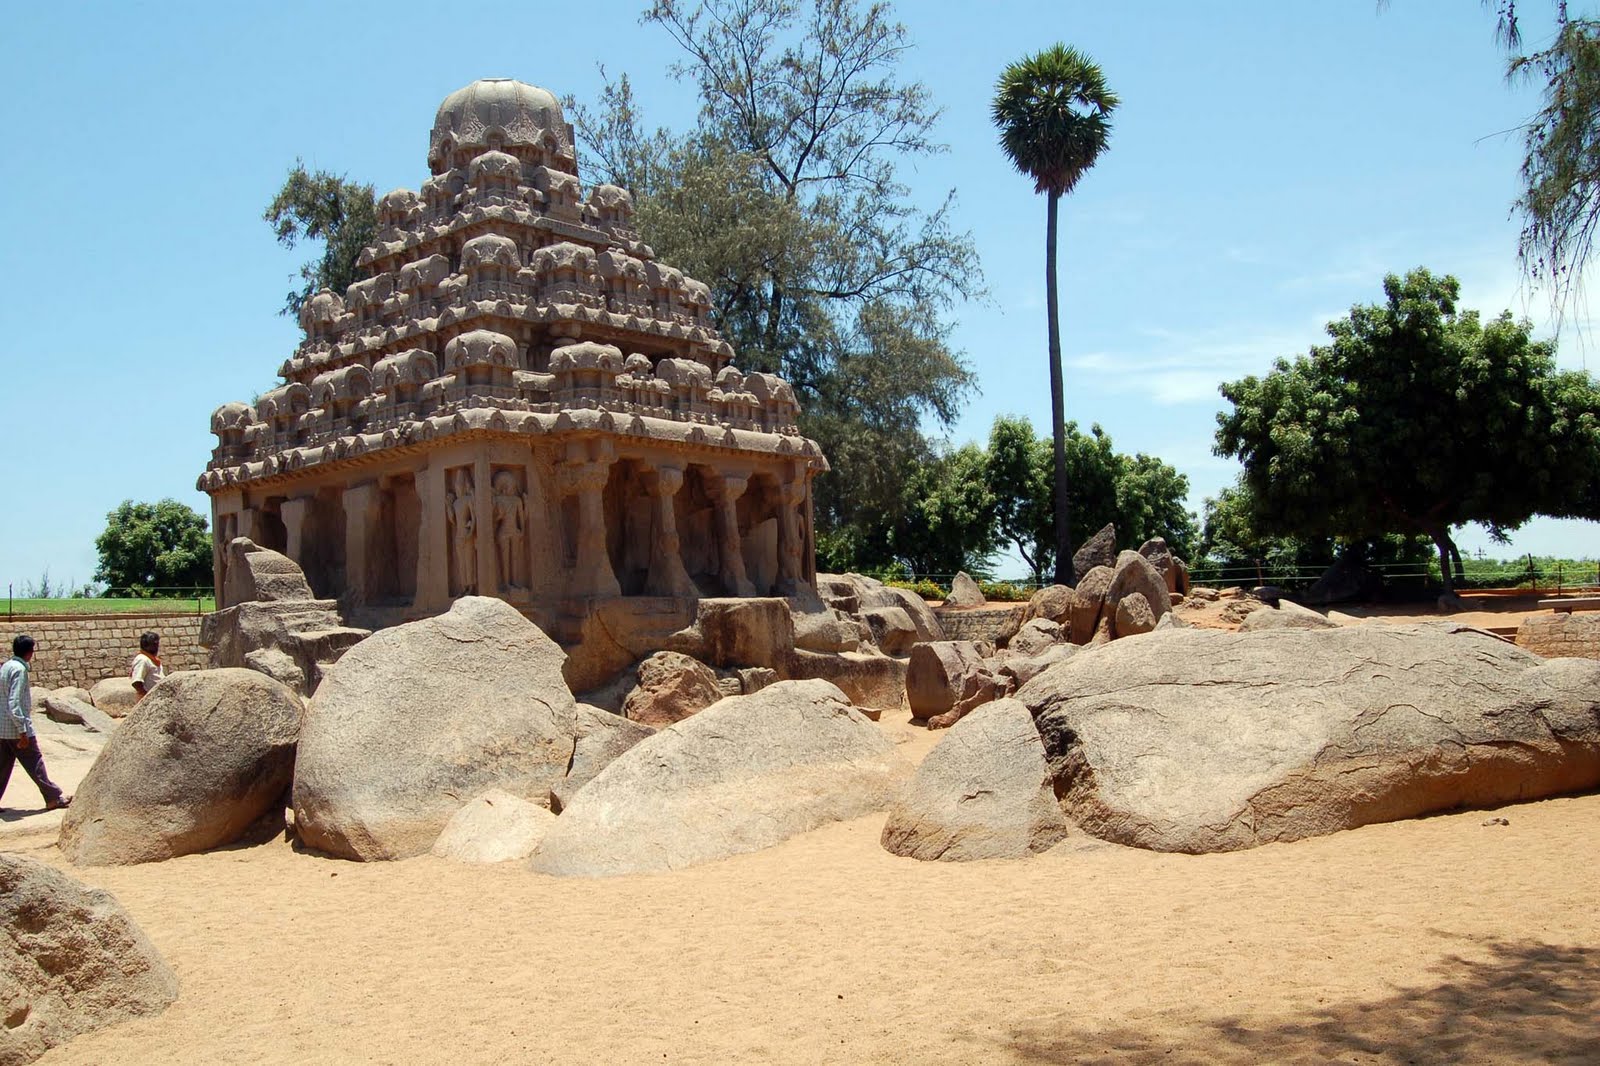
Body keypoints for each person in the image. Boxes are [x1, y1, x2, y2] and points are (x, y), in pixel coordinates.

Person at [0, 635, 69, 812]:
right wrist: (23, 731)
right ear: (30, 652)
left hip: (3, 728)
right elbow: (14, 703)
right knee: (34, 762)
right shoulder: (20, 670)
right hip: (16, 729)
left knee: (3, 766)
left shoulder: (6, 667)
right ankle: (53, 797)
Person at [131, 631, 163, 700]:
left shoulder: (153, 660)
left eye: (157, 644)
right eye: (154, 644)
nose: (157, 647)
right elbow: (137, 682)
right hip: (151, 700)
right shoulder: (142, 659)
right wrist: (146, 697)